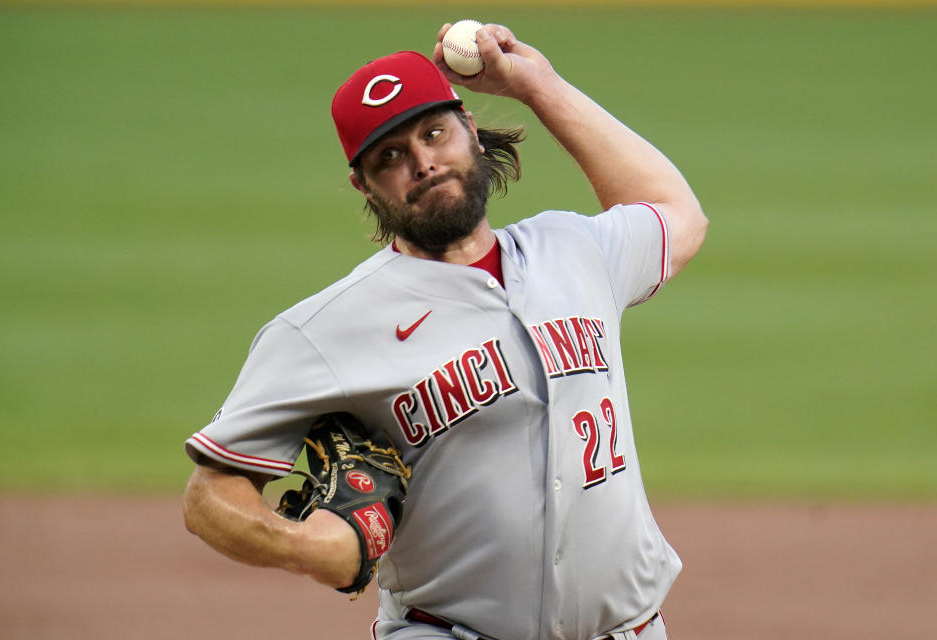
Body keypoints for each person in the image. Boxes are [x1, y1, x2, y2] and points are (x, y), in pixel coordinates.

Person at [183, 21, 707, 640]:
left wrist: (538, 86)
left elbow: (677, 215)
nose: (424, 163)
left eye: (435, 134)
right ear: (364, 186)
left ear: (471, 134)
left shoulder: (575, 248)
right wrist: (306, 547)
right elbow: (210, 494)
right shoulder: (323, 330)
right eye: (391, 157)